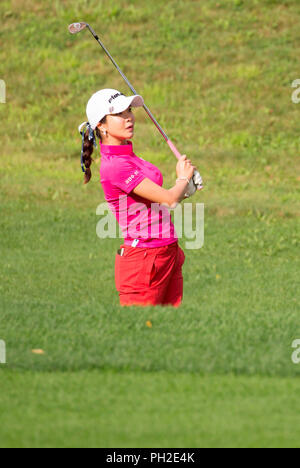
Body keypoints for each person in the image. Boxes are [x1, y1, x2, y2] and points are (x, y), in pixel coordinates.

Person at [78, 88, 201, 307]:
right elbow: (168, 200)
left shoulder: (130, 157)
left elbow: (156, 202)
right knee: (140, 334)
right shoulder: (115, 166)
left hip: (167, 253)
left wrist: (184, 189)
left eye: (129, 111)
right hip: (144, 260)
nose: (129, 118)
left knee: (169, 333)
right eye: (119, 114)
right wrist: (182, 180)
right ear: (101, 125)